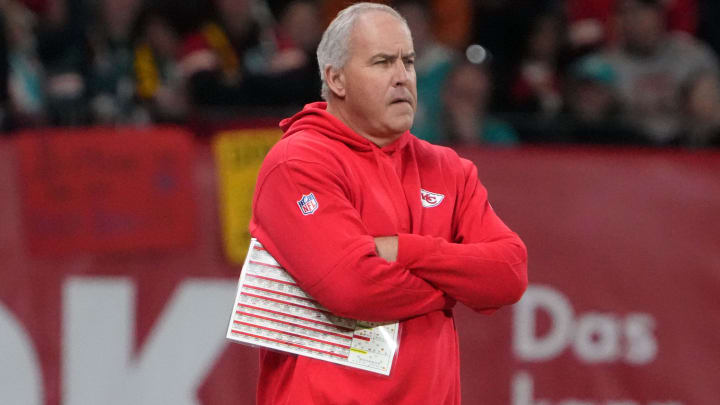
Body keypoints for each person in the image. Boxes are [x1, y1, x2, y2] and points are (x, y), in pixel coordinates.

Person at [249, 3, 528, 404]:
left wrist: (403, 249)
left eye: (408, 61)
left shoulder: (449, 168)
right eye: (382, 62)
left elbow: (509, 273)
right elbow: (350, 288)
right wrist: (455, 284)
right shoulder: (298, 162)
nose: (402, 77)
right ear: (336, 78)